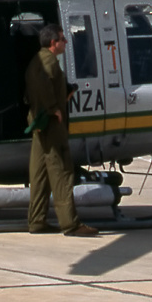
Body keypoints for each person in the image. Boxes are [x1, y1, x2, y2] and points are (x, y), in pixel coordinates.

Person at [25, 24, 98, 237]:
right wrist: (52, 109)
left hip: (40, 125)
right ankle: (70, 224)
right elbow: (42, 84)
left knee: (39, 173)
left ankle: (37, 220)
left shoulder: (37, 60)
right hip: (50, 124)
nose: (65, 42)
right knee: (63, 170)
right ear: (53, 43)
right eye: (62, 39)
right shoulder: (48, 62)